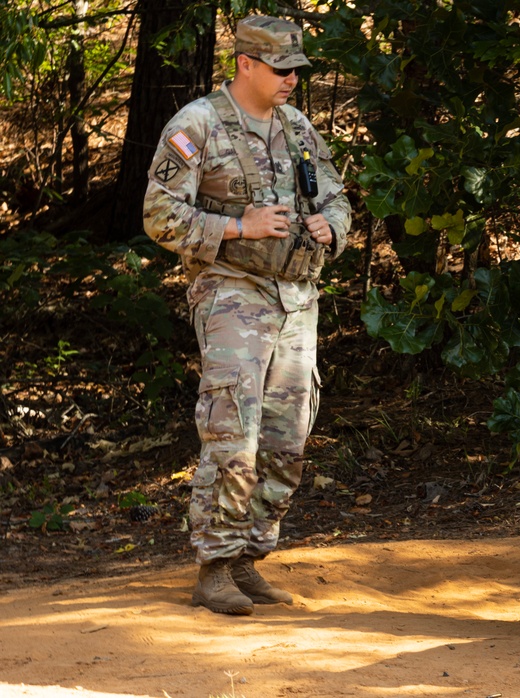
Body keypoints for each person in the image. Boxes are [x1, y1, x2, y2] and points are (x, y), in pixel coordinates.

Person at [143, 15, 351, 615]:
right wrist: (239, 225)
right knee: (235, 432)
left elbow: (336, 197)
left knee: (289, 439)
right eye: (282, 70)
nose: (291, 80)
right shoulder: (198, 125)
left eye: (296, 71)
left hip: (296, 298)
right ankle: (213, 567)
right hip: (232, 290)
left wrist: (328, 228)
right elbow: (159, 215)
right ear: (246, 65)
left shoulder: (299, 127)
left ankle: (246, 559)